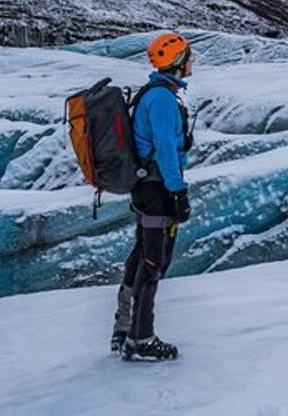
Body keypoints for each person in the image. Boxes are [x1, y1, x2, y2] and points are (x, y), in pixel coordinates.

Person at [111, 31, 195, 362]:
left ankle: (124, 330)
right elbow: (165, 150)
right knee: (153, 261)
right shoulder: (161, 99)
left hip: (149, 188)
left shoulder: (158, 93)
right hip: (158, 189)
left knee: (141, 255)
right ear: (177, 60)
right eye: (188, 56)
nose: (192, 62)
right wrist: (178, 192)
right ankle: (141, 339)